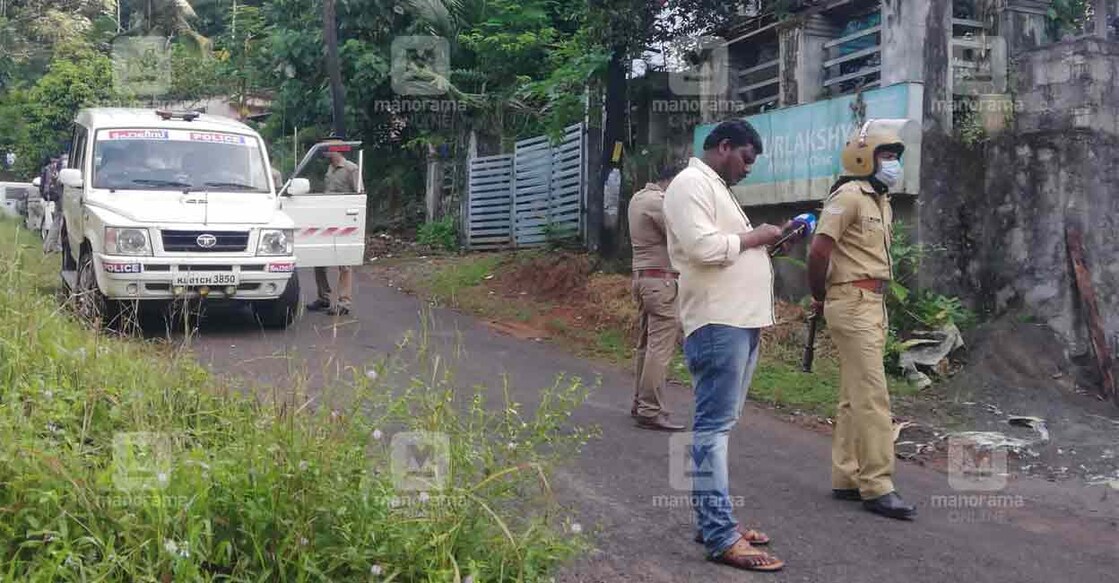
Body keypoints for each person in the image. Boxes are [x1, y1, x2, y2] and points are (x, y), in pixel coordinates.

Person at [663, 120, 787, 573]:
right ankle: (719, 533)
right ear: (725, 147)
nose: (749, 169)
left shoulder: (714, 186)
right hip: (718, 322)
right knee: (711, 430)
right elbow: (703, 248)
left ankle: (712, 521)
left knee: (720, 426)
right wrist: (758, 236)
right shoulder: (691, 183)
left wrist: (770, 242)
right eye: (746, 159)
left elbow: (729, 247)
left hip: (738, 320)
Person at [806, 119, 917, 521]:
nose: (892, 163)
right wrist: (820, 296)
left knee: (855, 395)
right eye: (886, 156)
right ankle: (878, 485)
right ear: (863, 158)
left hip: (872, 302)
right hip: (851, 302)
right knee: (873, 395)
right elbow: (819, 252)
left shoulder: (880, 200)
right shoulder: (849, 196)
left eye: (894, 157)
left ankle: (847, 476)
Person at [628, 163, 685, 431]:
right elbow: (681, 234)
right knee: (659, 349)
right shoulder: (658, 202)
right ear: (672, 182)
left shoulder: (638, 198)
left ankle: (640, 403)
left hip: (643, 279)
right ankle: (650, 409)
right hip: (660, 282)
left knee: (645, 346)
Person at [306, 142, 361, 316]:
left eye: (328, 150)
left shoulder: (351, 169)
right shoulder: (329, 169)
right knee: (319, 260)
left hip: (344, 221)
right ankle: (323, 297)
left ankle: (344, 302)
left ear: (335, 150)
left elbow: (359, 194)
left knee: (344, 263)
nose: (325, 153)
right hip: (327, 219)